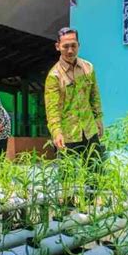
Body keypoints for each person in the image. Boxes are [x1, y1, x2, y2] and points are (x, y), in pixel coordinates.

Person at [44, 27, 103, 159]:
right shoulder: (54, 76)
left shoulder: (88, 68)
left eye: (73, 46)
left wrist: (98, 119)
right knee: (68, 176)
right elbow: (52, 109)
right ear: (57, 46)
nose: (70, 50)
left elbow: (94, 96)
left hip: (89, 131)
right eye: (65, 46)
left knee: (95, 174)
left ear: (78, 46)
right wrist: (56, 132)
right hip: (67, 136)